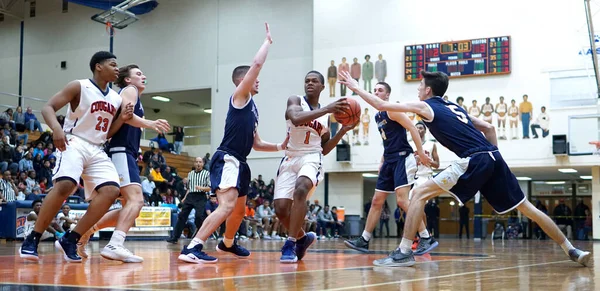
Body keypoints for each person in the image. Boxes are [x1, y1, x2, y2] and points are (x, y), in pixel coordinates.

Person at [340, 69, 591, 267]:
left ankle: (405, 252)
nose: (417, 90)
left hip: (474, 158)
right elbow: (490, 129)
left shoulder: (427, 106)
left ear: (428, 90)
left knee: (418, 194)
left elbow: (382, 105)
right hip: (493, 157)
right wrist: (492, 165)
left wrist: (355, 87)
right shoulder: (455, 107)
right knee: (528, 208)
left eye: (419, 87)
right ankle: (572, 249)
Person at [178, 23, 288, 264]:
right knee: (226, 206)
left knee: (238, 210)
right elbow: (257, 65)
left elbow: (257, 144)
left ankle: (227, 243)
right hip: (227, 157)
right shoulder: (240, 97)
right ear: (242, 80)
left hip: (241, 161)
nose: (257, 81)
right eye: (252, 78)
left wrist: (282, 146)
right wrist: (267, 42)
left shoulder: (253, 109)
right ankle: (193, 247)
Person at [20, 51, 134, 262]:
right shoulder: (79, 86)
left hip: (97, 147)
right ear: (98, 66)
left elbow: (106, 133)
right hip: (74, 141)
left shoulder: (116, 98)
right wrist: (56, 128)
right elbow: (48, 107)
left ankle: (71, 238)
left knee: (111, 191)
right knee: (65, 186)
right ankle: (33, 238)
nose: (117, 68)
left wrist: (123, 119)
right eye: (113, 64)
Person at [75, 64, 170, 263]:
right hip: (121, 151)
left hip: (125, 153)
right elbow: (126, 116)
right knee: (136, 201)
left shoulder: (136, 96)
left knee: (130, 209)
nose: (143, 76)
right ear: (127, 79)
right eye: (138, 73)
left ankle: (81, 233)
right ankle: (115, 244)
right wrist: (150, 123)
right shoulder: (130, 90)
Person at [344, 81, 435, 255]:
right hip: (389, 160)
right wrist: (382, 160)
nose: (376, 92)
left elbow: (413, 129)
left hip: (402, 158)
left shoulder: (393, 109)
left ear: (387, 95)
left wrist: (421, 153)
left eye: (380, 90)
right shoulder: (378, 115)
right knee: (377, 200)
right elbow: (388, 141)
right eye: (375, 90)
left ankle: (425, 236)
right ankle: (364, 239)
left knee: (402, 201)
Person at [273, 70, 354, 263]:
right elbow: (296, 118)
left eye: (314, 81)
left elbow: (324, 149)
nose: (310, 83)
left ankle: (290, 243)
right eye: (307, 80)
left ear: (322, 87)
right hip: (290, 157)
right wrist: (327, 109)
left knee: (300, 190)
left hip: (311, 157)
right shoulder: (295, 100)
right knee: (281, 210)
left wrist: (342, 131)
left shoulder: (326, 117)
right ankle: (303, 238)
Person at [167, 157, 210, 244]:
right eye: (197, 162)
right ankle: (175, 237)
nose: (198, 164)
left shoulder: (207, 174)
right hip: (190, 196)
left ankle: (201, 236)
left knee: (198, 216)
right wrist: (184, 198)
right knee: (182, 216)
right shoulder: (190, 174)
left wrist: (201, 188)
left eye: (200, 162)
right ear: (194, 163)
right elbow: (189, 188)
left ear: (203, 164)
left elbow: (209, 188)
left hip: (201, 196)